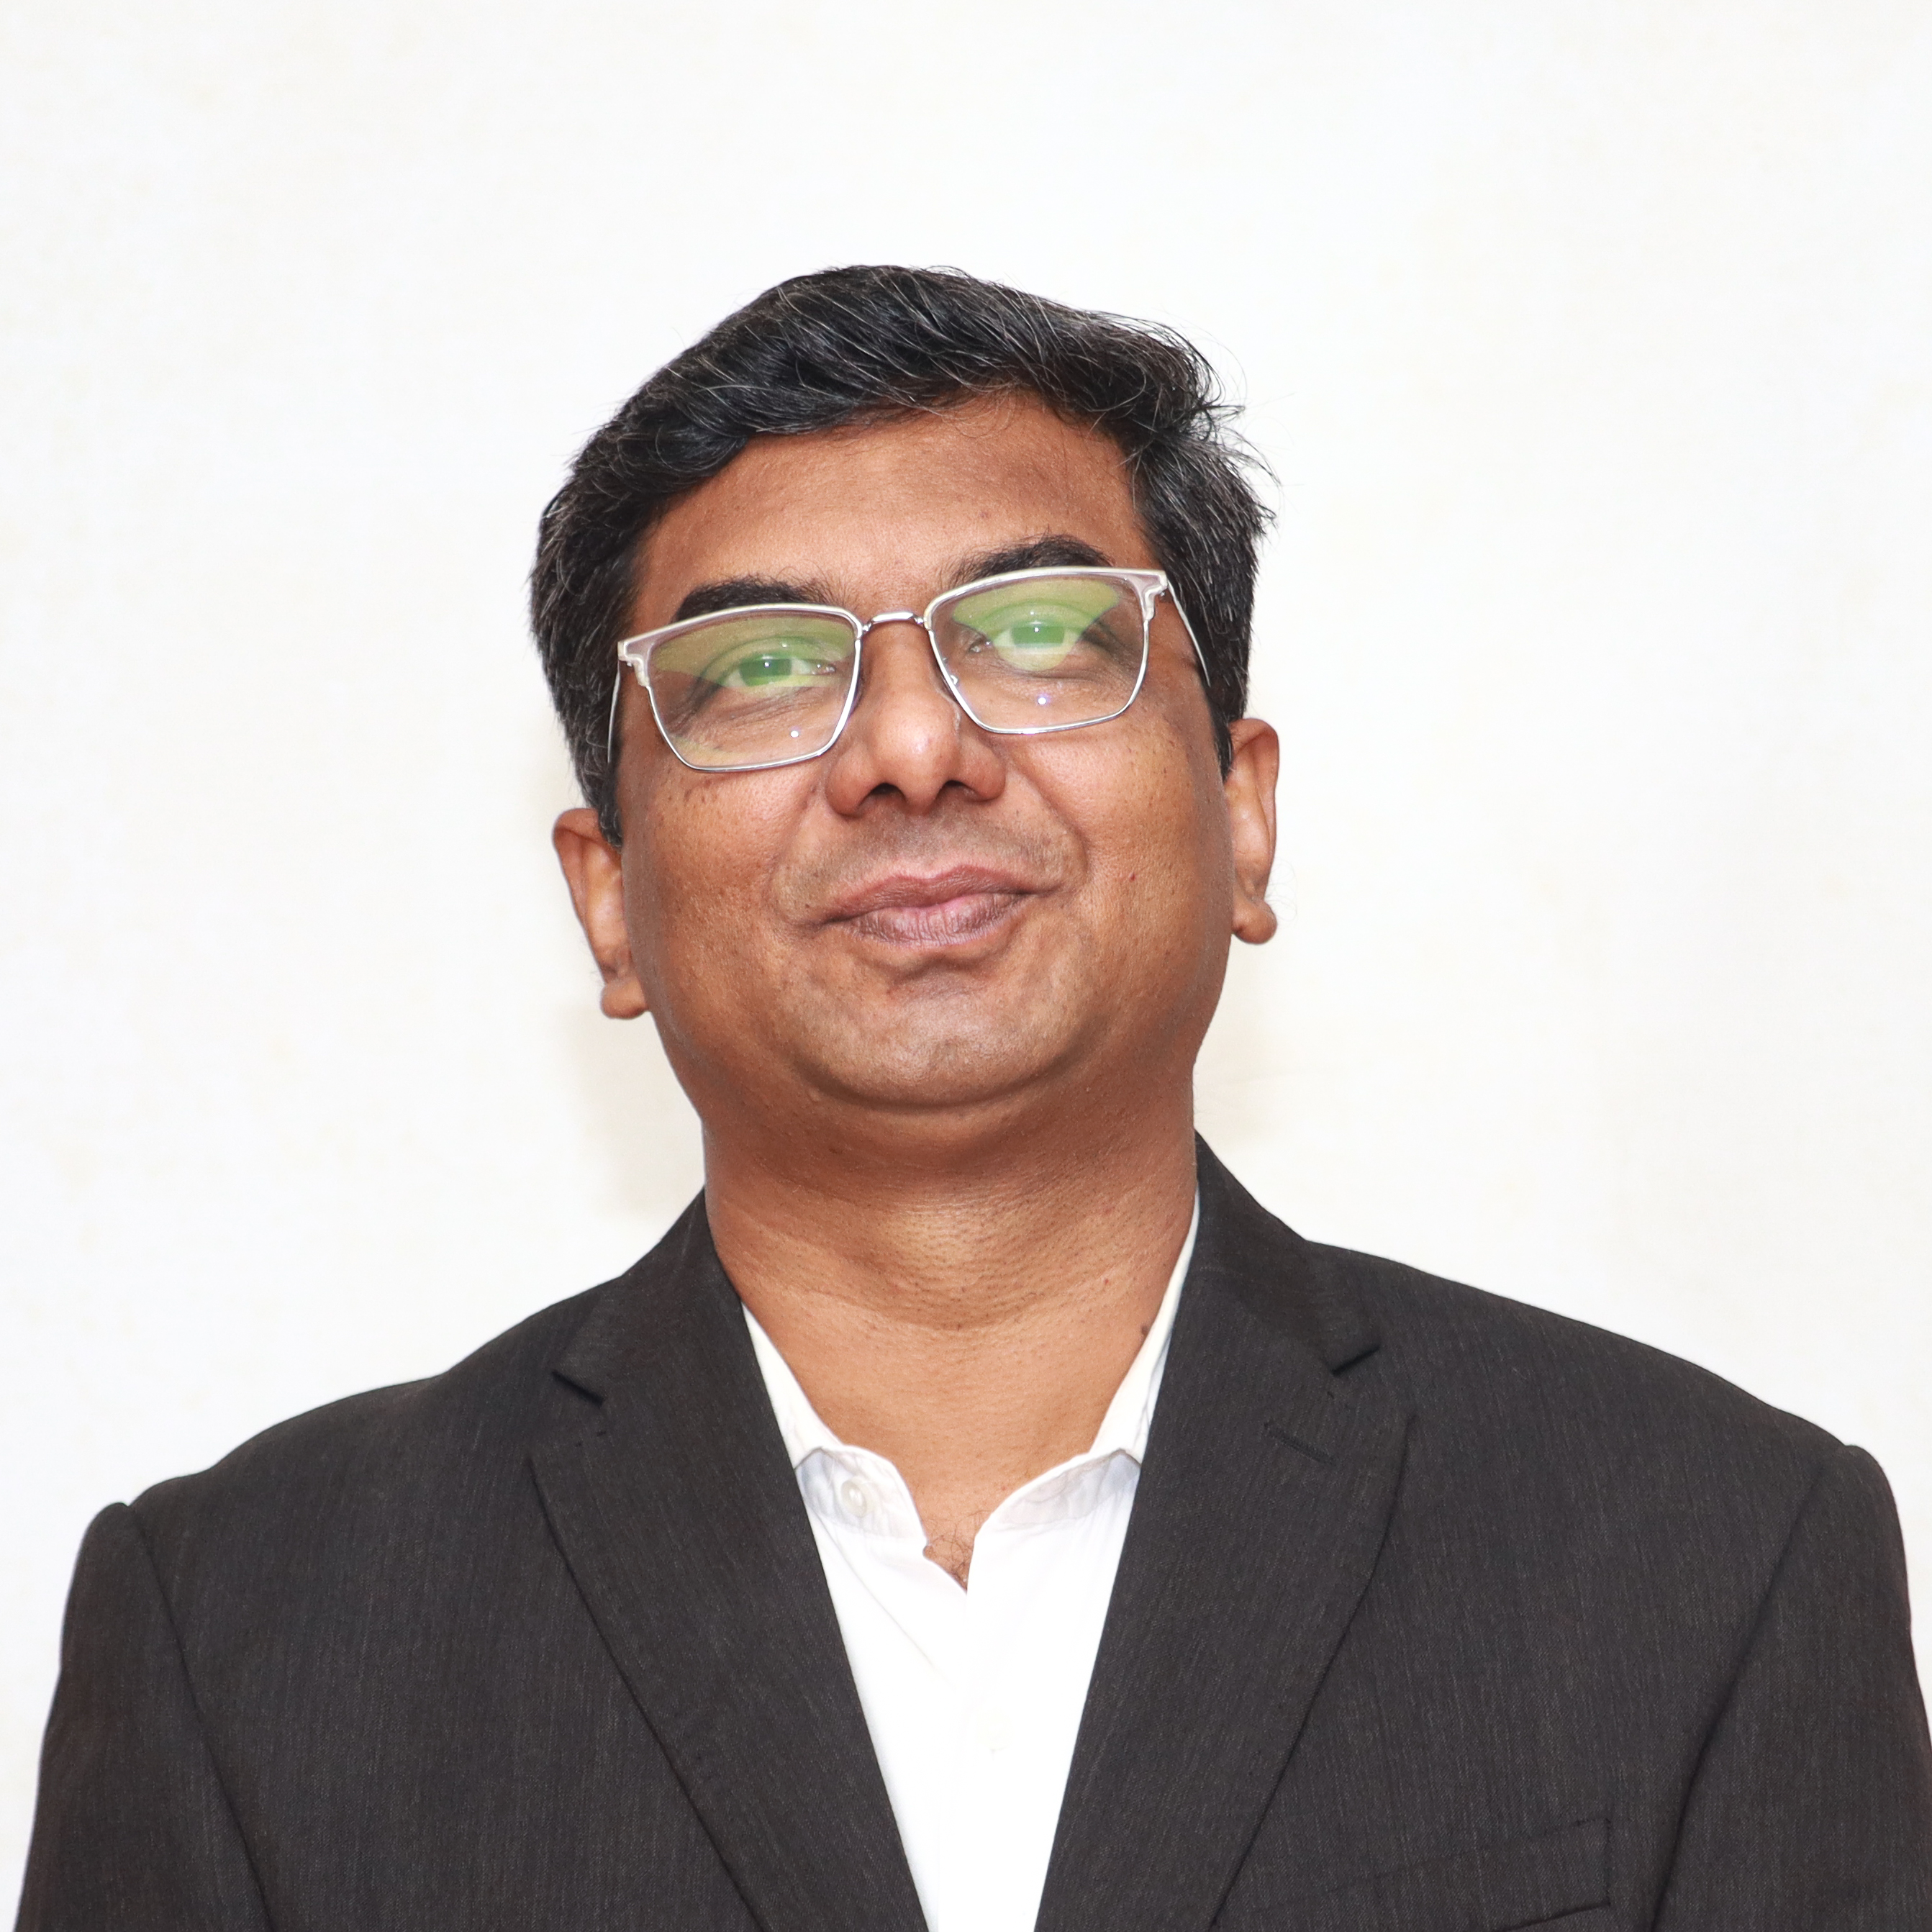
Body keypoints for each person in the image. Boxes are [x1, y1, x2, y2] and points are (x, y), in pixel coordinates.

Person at [17, 265, 1931, 1932]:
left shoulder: (1712, 1559)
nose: (913, 749)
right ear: (607, 899)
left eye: (1034, 637)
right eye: (763, 670)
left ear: (1243, 812)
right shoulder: (248, 1638)